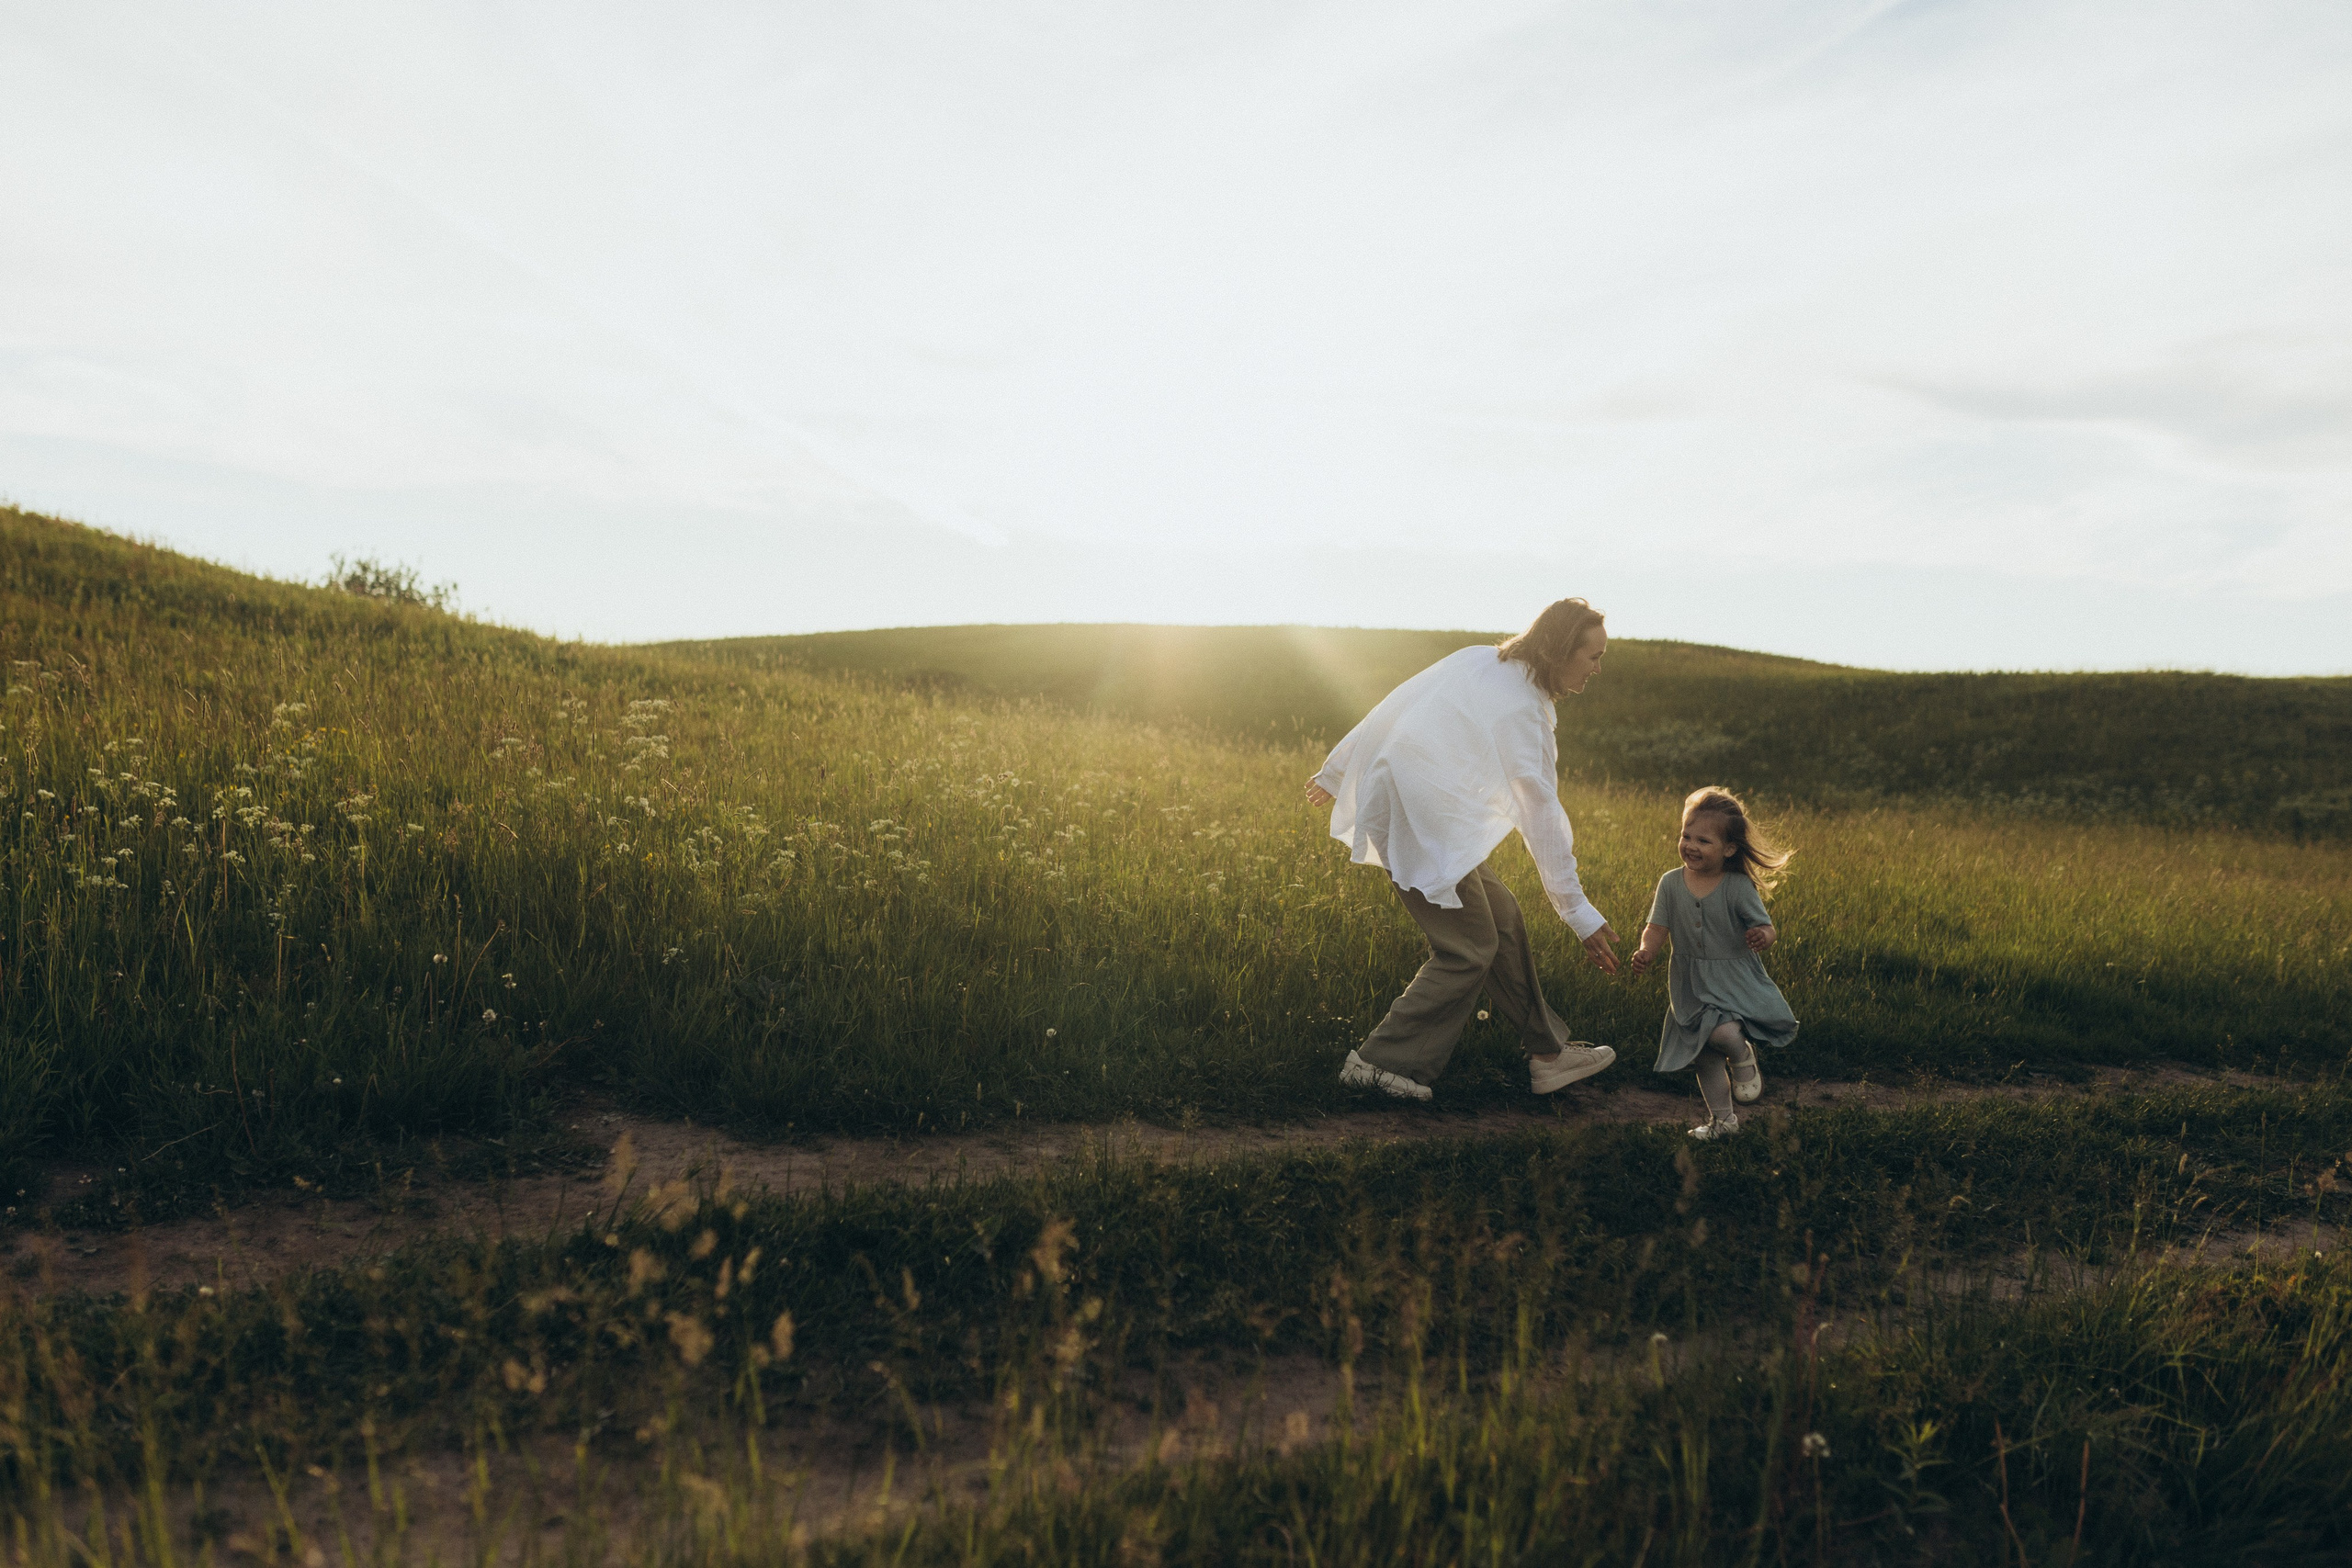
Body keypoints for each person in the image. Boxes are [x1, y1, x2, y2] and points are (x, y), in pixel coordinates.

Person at [1305, 597, 1622, 1102]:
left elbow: (1398, 701)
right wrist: (1578, 912)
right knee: (1468, 949)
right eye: (1593, 656)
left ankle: (1548, 1055)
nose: (1598, 668)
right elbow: (1539, 810)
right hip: (1420, 822)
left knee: (1501, 920)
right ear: (1562, 649)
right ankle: (1379, 1064)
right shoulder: (1523, 709)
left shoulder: (1480, 658)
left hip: (1422, 816)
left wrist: (1338, 768)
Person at [1627, 786, 1798, 1141]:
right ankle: (1723, 1122)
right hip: (1690, 983)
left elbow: (1766, 927)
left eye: (1703, 840)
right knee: (1704, 1056)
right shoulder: (1670, 883)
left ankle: (1742, 1053)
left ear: (1729, 849)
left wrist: (1763, 936)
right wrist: (1647, 950)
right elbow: (1657, 927)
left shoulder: (1736, 886)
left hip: (1731, 977)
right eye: (1686, 836)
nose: (1690, 845)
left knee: (1721, 1033)